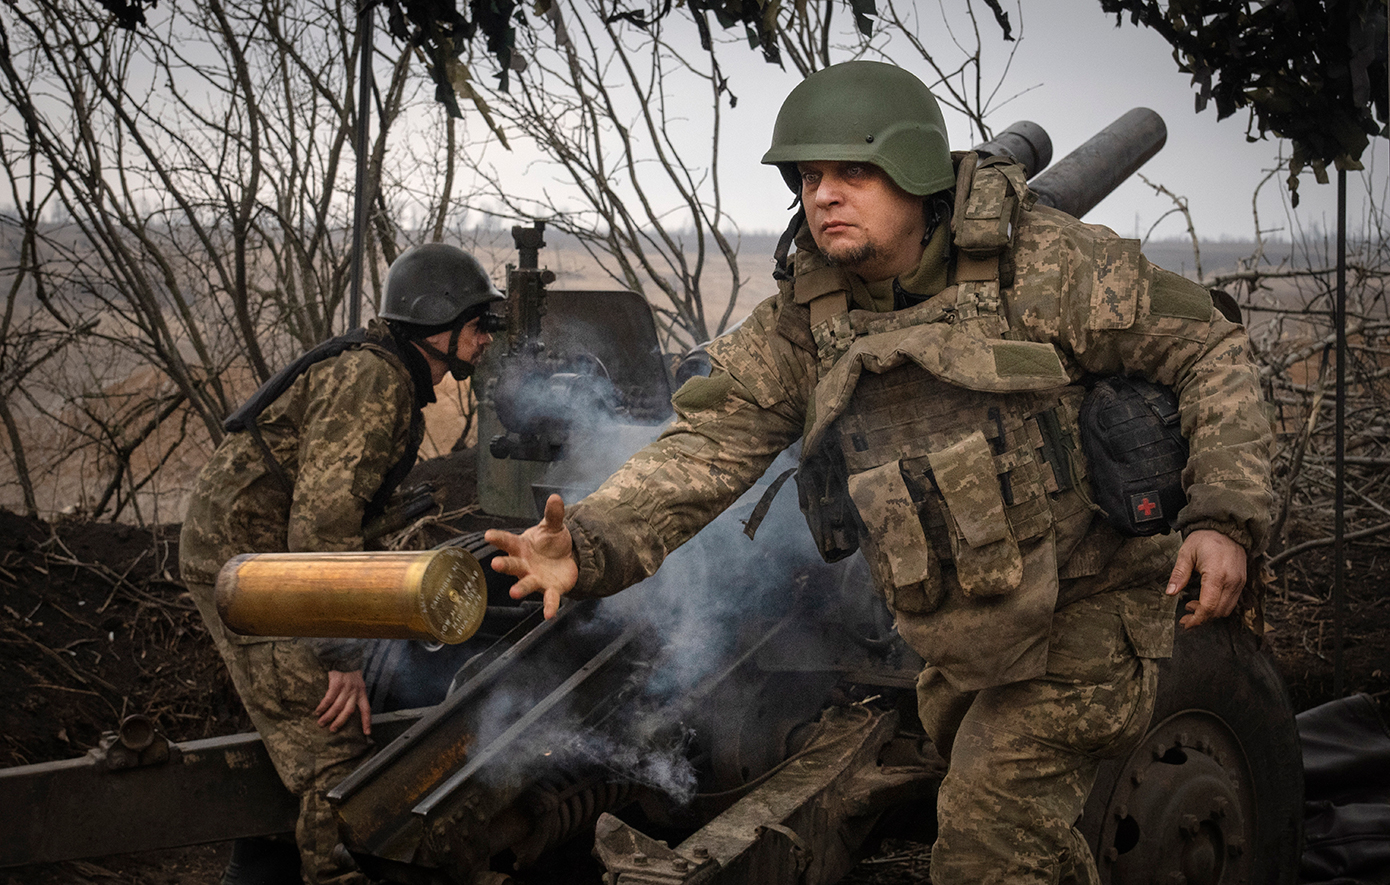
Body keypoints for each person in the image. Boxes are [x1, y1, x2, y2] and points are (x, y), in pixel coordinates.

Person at [485, 61, 1274, 885]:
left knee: (987, 842)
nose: (824, 194)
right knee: (1025, 842)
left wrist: (1224, 515)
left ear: (916, 174)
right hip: (966, 632)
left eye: (854, 172)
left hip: (1089, 610)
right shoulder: (807, 318)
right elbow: (704, 448)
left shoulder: (1042, 265)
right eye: (810, 176)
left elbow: (1208, 348)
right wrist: (590, 540)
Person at [180, 243, 502, 885]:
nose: (484, 341)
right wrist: (342, 659)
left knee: (313, 734)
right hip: (249, 570)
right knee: (331, 745)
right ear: (435, 324)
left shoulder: (385, 372)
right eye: (476, 325)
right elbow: (321, 528)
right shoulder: (374, 379)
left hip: (273, 559)